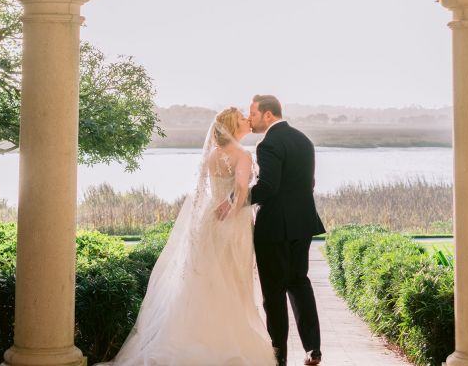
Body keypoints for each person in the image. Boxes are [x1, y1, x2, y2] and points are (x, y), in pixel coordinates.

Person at [99, 107, 275, 366]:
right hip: (231, 224)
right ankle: (225, 340)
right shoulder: (243, 155)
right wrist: (233, 209)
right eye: (242, 119)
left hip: (207, 223)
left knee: (206, 280)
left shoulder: (212, 155)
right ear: (233, 126)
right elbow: (239, 189)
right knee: (233, 280)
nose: (247, 120)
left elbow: (202, 191)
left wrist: (216, 211)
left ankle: (195, 334)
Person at [246, 94, 325, 366]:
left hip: (274, 228)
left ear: (268, 115)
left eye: (253, 114)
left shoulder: (268, 144)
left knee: (274, 293)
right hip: (303, 223)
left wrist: (235, 200)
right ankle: (313, 349)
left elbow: (268, 186)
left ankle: (279, 356)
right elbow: (309, 183)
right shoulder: (304, 140)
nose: (251, 119)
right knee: (299, 282)